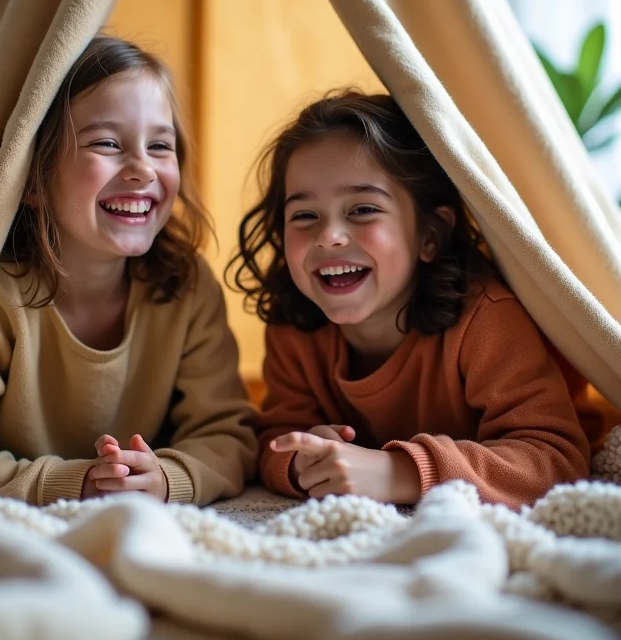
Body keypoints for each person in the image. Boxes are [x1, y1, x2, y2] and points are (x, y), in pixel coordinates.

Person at [0, 36, 257, 506]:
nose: (143, 169)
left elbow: (228, 436)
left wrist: (169, 477)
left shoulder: (185, 286)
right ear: (34, 179)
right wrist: (78, 483)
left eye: (159, 145)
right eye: (108, 143)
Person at [228, 89, 591, 509]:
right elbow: (275, 435)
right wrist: (301, 459)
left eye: (362, 209)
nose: (328, 236)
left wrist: (397, 472)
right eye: (304, 215)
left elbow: (556, 459)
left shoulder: (485, 319)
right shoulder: (295, 326)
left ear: (429, 235)